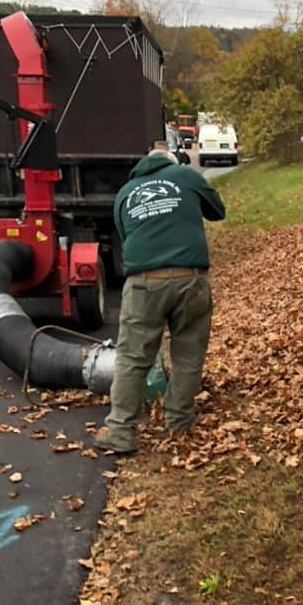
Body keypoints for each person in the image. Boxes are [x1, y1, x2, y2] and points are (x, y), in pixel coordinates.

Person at [94, 140, 226, 454]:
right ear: (171, 160)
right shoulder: (186, 176)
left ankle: (121, 432)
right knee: (188, 354)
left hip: (143, 283)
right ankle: (178, 422)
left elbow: (127, 238)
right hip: (188, 280)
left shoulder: (125, 193)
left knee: (132, 359)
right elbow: (217, 211)